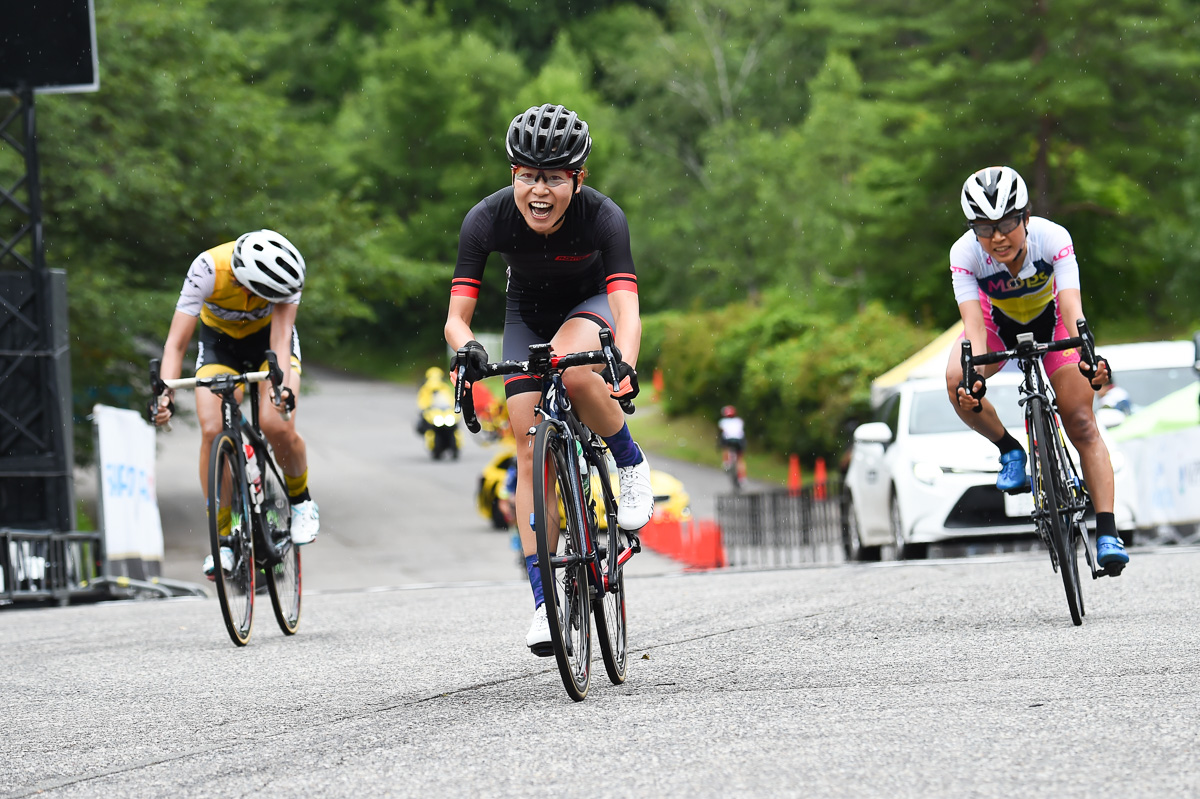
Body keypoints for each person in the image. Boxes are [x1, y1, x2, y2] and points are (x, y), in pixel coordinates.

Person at [444, 103, 655, 655]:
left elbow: (626, 308)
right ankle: (544, 603)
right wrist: (466, 348)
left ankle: (629, 462)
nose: (539, 191)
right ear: (513, 174)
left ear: (577, 179)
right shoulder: (486, 219)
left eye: (554, 178)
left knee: (577, 372)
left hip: (590, 308)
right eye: (528, 176)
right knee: (528, 442)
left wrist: (626, 363)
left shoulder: (603, 217)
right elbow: (456, 317)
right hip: (527, 314)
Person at [946, 166, 1128, 571]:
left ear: (1025, 217)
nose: (997, 237)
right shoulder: (964, 253)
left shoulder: (1053, 238)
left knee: (1079, 421)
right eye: (984, 226)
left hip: (1053, 321)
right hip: (998, 326)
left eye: (1007, 223)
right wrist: (974, 378)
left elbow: (1071, 308)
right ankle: (1010, 450)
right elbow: (974, 326)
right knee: (955, 378)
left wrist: (1087, 355)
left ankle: (1108, 531)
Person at [151, 229, 320, 578]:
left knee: (276, 424)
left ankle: (302, 502)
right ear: (242, 283)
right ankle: (224, 538)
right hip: (219, 346)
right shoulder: (207, 269)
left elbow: (281, 338)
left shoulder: (287, 275)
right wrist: (165, 392)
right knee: (212, 431)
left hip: (269, 347)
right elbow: (175, 344)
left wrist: (281, 389)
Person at [717, 405, 746, 487]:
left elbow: (721, 433)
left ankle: (726, 463)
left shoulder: (723, 421)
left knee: (725, 447)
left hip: (728, 441)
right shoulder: (739, 421)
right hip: (739, 442)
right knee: (740, 459)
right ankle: (742, 479)